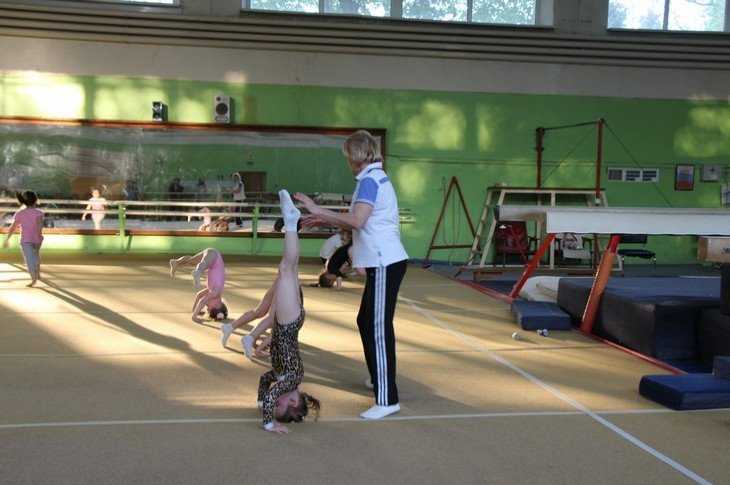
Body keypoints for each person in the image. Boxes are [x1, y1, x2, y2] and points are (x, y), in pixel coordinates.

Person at [295, 130, 408, 420]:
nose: (347, 162)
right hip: (382, 262)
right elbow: (360, 222)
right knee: (365, 321)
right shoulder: (371, 178)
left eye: (348, 157)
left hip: (385, 262)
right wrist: (321, 218)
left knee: (378, 328)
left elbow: (357, 220)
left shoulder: (370, 180)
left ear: (356, 156)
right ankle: (378, 377)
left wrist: (318, 209)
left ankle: (387, 399)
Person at [256, 189, 320, 434]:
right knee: (286, 269)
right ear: (293, 401)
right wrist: (268, 423)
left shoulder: (283, 376)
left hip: (289, 322)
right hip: (288, 323)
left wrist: (260, 402)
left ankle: (292, 223)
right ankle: (291, 222)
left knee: (290, 269)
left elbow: (265, 380)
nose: (276, 402)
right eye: (280, 406)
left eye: (274, 407)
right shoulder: (291, 380)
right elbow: (273, 394)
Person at [169, 248, 228, 323]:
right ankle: (198, 272)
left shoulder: (212, 290)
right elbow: (202, 301)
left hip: (212, 254)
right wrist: (194, 316)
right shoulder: (215, 292)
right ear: (217, 305)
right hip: (214, 256)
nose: (206, 306)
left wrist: (194, 310)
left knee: (191, 261)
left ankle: (176, 262)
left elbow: (199, 295)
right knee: (204, 264)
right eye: (208, 308)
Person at [2, 191, 44, 287]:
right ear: (35, 200)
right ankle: (37, 274)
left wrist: (7, 239)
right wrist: (39, 237)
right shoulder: (39, 213)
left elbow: (13, 227)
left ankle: (34, 279)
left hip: (26, 240)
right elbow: (40, 226)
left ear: (23, 201)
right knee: (36, 256)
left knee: (29, 259)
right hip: (37, 239)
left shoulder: (20, 213)